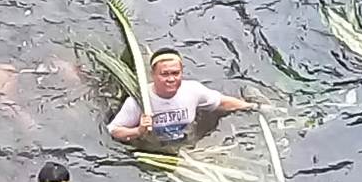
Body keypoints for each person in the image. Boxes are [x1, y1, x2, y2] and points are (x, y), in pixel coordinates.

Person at [107, 48, 258, 144]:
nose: (171, 79)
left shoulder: (192, 91)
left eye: (175, 73)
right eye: (164, 74)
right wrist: (138, 131)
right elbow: (113, 130)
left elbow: (222, 103)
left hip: (185, 144)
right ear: (153, 75)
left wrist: (252, 107)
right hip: (151, 149)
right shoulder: (138, 101)